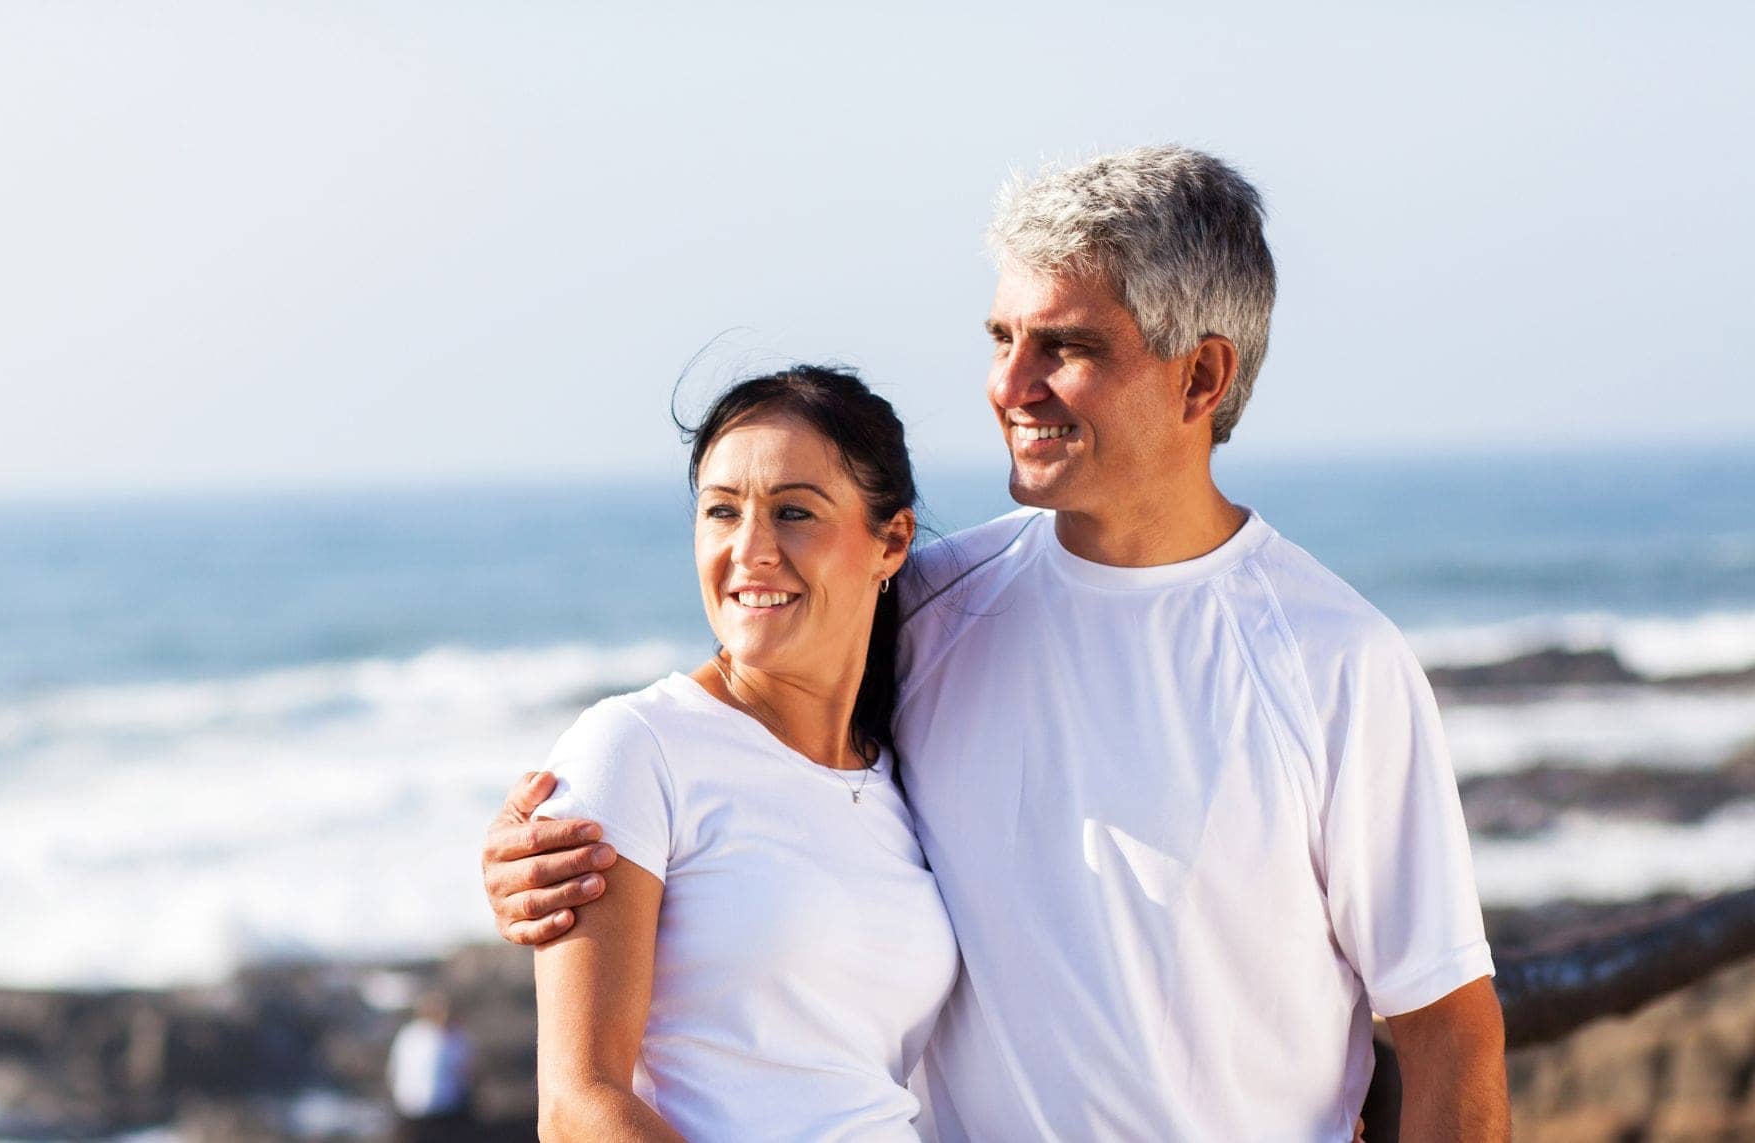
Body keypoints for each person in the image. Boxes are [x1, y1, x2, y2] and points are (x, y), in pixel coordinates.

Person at [482, 146, 1509, 1139]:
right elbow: (742, 721)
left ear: (1199, 379)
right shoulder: (926, 606)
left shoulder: (1334, 662)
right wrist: (550, 851)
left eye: (1063, 347)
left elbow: (1447, 1034)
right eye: (999, 337)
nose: (1008, 386)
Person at [529, 367, 955, 1140]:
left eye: (794, 512)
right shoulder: (636, 747)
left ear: (891, 541)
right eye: (722, 511)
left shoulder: (905, 772)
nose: (750, 549)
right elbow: (578, 1105)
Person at [387, 992, 474, 1141]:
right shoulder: (452, 1037)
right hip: (442, 1111)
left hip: (407, 1108)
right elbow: (465, 1074)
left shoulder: (407, 1033)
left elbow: (392, 1073)